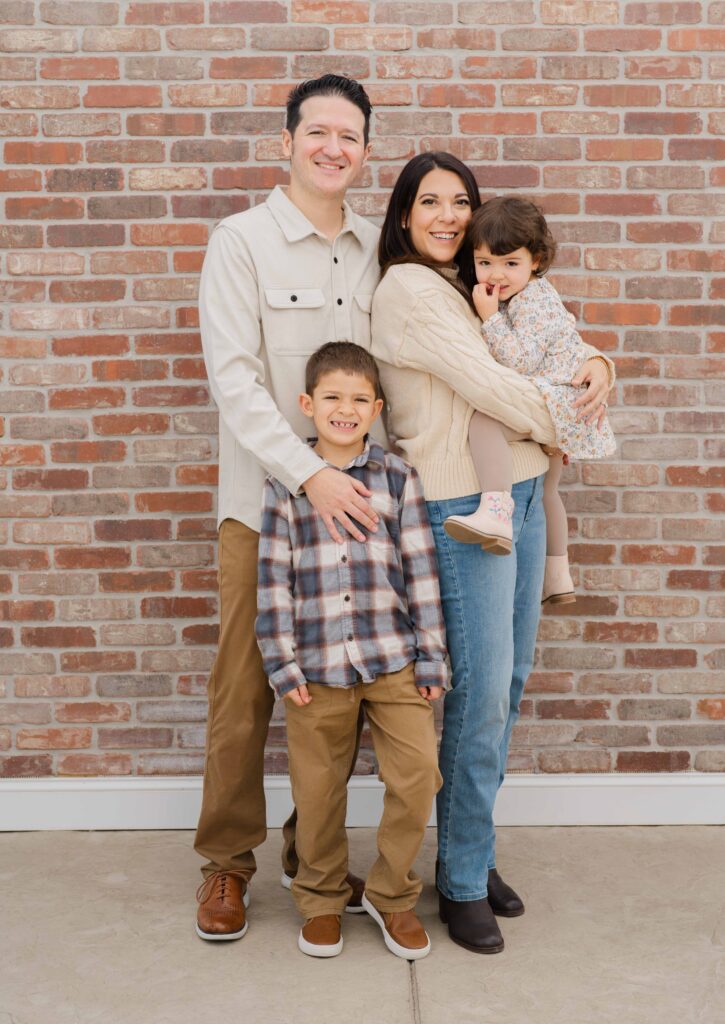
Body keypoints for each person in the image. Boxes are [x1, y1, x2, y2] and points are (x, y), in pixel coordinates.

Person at [371, 152, 614, 954]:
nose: (446, 215)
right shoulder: (410, 291)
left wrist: (596, 365)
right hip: (463, 504)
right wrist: (576, 407)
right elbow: (495, 387)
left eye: (459, 202)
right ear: (403, 214)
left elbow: (544, 345)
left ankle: (468, 853)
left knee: (505, 686)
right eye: (428, 202)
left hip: (523, 488)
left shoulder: (472, 283)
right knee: (477, 696)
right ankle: (462, 880)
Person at [195, 75, 383, 942]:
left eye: (348, 136)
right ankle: (225, 864)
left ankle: (314, 854)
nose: (331, 148)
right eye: (317, 132)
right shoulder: (240, 242)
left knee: (336, 695)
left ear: (364, 152)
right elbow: (234, 380)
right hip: (264, 508)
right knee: (245, 692)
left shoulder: (378, 249)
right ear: (287, 142)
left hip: (358, 513)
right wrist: (309, 476)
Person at [255, 342, 445, 960]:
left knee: (418, 776)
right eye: (333, 397)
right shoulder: (285, 485)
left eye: (360, 399)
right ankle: (320, 898)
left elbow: (420, 573)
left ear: (377, 409)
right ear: (308, 404)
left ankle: (391, 896)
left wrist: (431, 657)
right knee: (317, 793)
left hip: (394, 661)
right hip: (317, 670)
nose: (346, 409)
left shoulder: (397, 478)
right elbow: (273, 582)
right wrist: (282, 664)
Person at [443, 196, 616, 606]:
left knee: (484, 422)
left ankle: (495, 510)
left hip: (556, 401)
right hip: (562, 403)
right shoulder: (530, 295)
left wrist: (489, 317)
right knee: (548, 493)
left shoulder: (532, 300)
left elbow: (519, 360)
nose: (496, 274)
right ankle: (558, 576)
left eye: (510, 263)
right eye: (485, 262)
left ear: (535, 261)